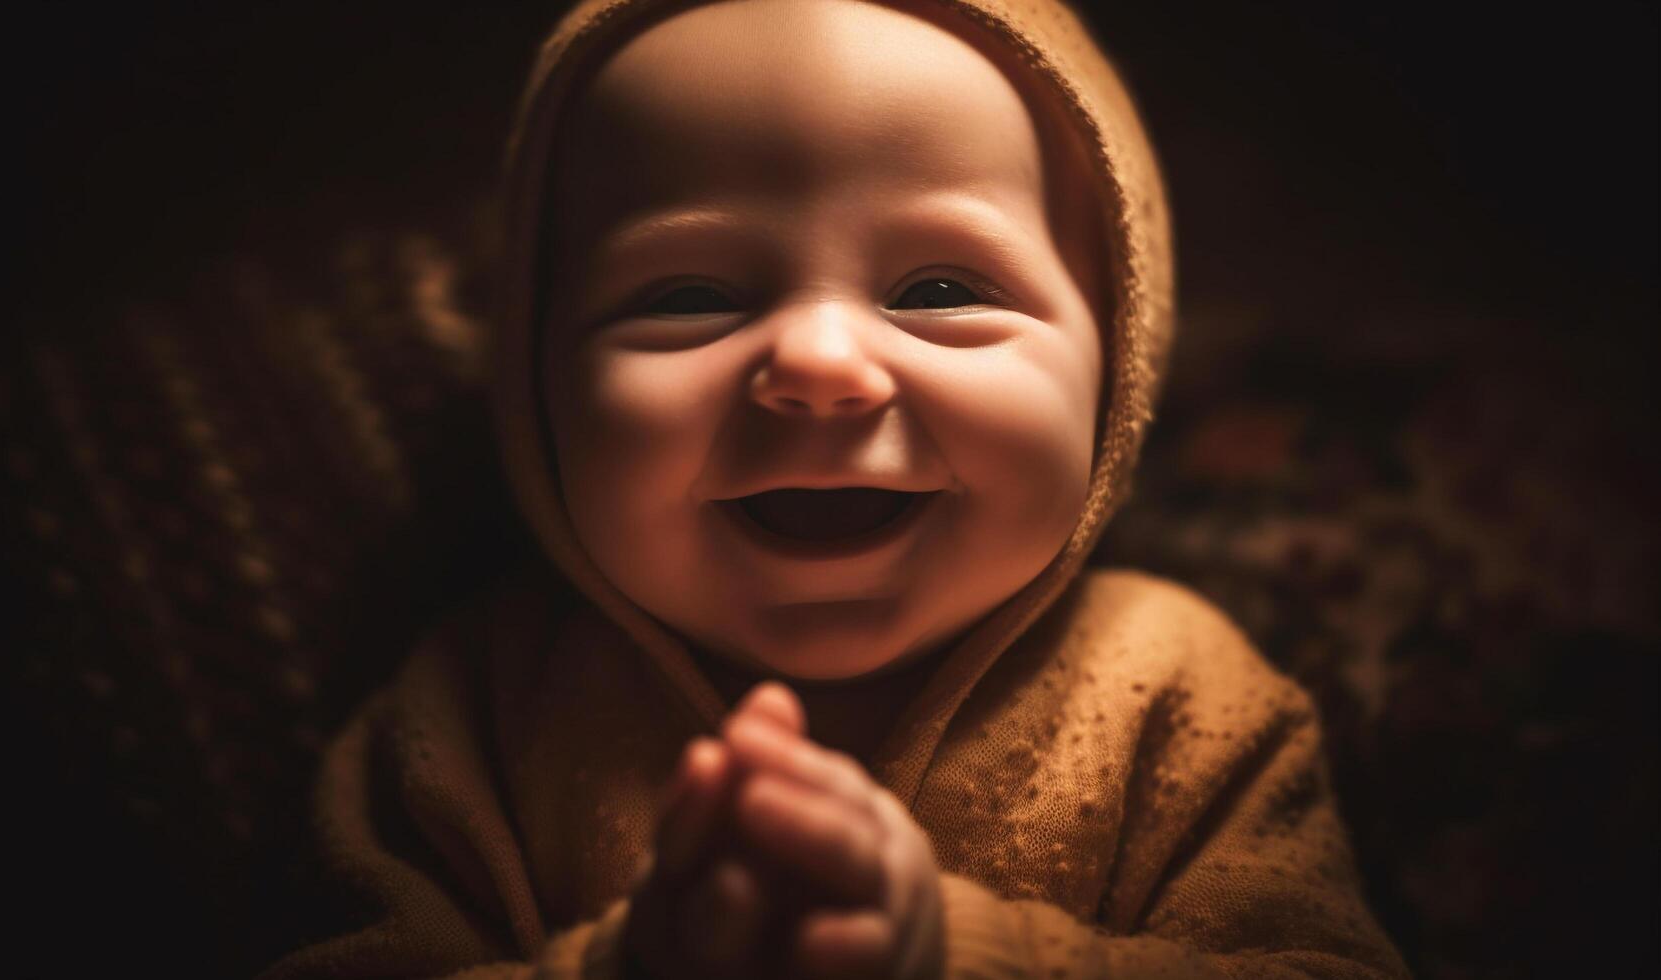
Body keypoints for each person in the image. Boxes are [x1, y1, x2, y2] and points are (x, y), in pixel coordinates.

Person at [261, 0, 1408, 976]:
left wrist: (954, 950)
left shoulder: (1179, 695)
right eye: (685, 297)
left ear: (1117, 365)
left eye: (942, 284)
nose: (816, 363)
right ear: (533, 382)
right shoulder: (470, 716)